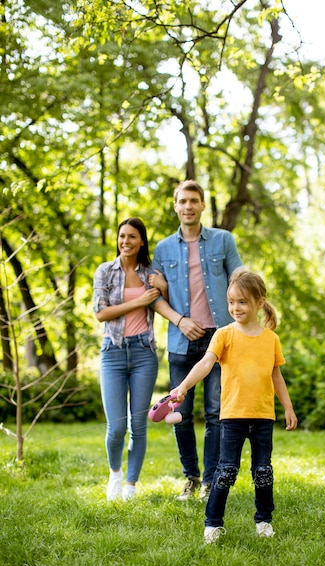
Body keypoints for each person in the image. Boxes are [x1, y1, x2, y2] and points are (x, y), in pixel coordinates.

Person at [171, 268, 298, 543]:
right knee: (226, 470)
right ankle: (212, 524)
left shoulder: (270, 340)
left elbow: (276, 375)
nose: (235, 307)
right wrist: (183, 386)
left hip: (263, 416)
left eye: (242, 302)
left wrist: (287, 407)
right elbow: (206, 363)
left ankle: (264, 521)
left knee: (262, 471)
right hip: (232, 416)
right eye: (231, 302)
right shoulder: (224, 335)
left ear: (259, 303)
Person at [150, 180, 243, 501]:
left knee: (216, 412)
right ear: (175, 206)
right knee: (181, 412)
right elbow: (154, 297)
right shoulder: (162, 249)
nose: (188, 206)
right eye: (182, 201)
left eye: (194, 201)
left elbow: (240, 280)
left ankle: (210, 480)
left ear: (203, 205)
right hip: (181, 340)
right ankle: (189, 477)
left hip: (219, 340)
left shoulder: (223, 240)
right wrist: (180, 320)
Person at [93, 217, 168, 501]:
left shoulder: (150, 273)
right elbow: (101, 313)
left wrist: (163, 286)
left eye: (132, 237)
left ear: (141, 241)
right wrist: (137, 302)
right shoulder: (104, 271)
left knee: (138, 425)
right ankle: (115, 473)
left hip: (143, 354)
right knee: (116, 427)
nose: (126, 241)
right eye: (122, 236)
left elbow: (167, 304)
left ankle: (132, 485)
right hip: (112, 352)